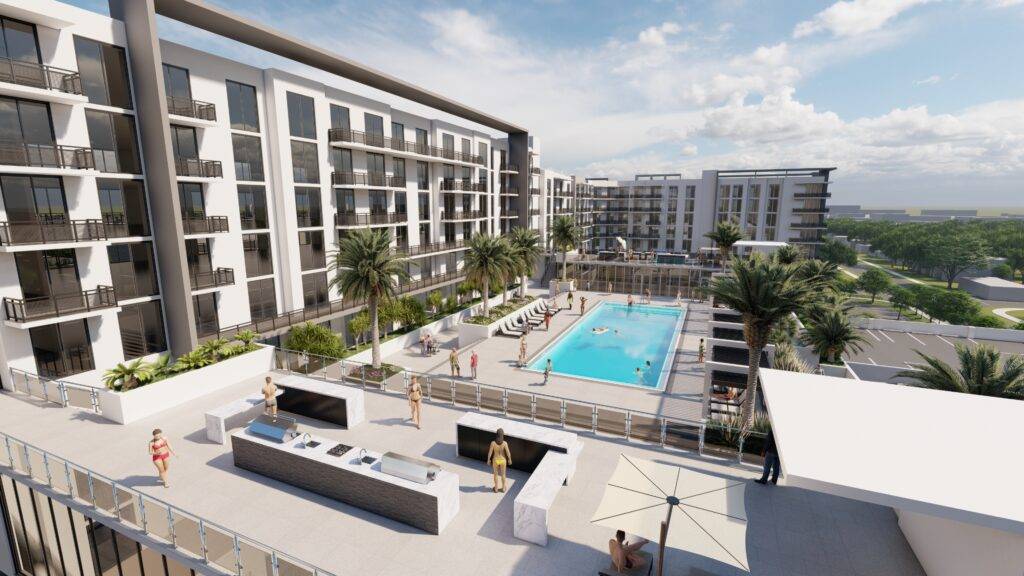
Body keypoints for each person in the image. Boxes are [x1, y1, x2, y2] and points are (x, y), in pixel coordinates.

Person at [487, 428, 512, 493]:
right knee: (503, 474)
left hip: (496, 460)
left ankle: (496, 488)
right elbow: (508, 453)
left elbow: (490, 453)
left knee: (495, 474)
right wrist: (509, 459)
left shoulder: (493, 443)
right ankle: (503, 488)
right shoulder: (504, 443)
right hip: (502, 460)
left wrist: (488, 460)